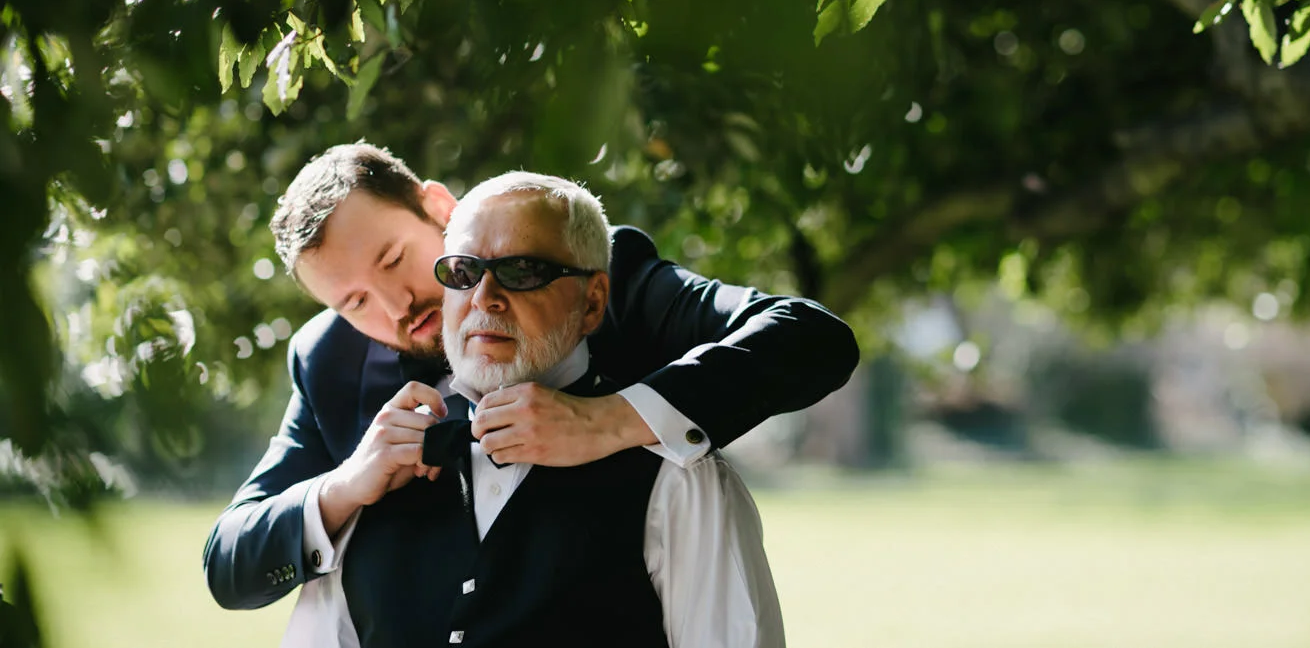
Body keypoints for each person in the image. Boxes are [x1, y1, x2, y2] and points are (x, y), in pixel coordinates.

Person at [203, 143, 857, 609]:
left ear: (436, 206)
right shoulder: (330, 362)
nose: (396, 307)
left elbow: (813, 338)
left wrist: (608, 421)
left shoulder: (600, 272)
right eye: (353, 302)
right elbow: (231, 562)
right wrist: (345, 484)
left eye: (395, 259)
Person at [281, 172, 785, 647]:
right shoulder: (365, 485)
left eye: (522, 270)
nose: (485, 297)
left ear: (592, 304)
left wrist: (606, 421)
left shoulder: (681, 483)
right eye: (462, 271)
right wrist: (345, 485)